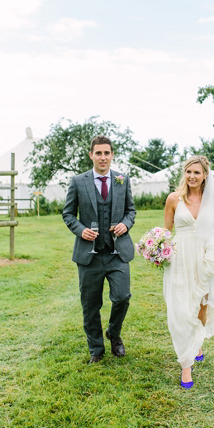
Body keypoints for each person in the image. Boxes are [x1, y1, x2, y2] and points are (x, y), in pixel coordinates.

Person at [162, 155, 214, 389]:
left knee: (201, 307)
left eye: (197, 172)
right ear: (184, 173)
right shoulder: (174, 199)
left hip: (204, 259)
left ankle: (198, 339)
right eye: (189, 172)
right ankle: (186, 363)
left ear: (205, 175)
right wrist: (156, 247)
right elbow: (166, 230)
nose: (192, 176)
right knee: (182, 310)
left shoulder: (212, 201)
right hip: (180, 259)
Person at [62, 136, 136, 364]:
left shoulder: (123, 180)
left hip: (117, 253)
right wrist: (81, 230)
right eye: (98, 153)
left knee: (122, 297)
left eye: (106, 153)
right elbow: (67, 214)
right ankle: (96, 348)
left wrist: (126, 223)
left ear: (112, 155)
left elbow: (130, 211)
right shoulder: (77, 181)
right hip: (88, 256)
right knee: (91, 304)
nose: (103, 157)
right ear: (91, 155)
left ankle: (113, 333)